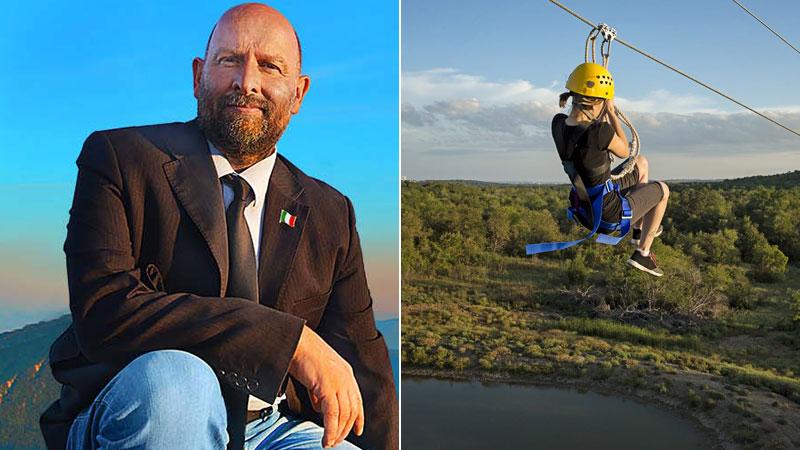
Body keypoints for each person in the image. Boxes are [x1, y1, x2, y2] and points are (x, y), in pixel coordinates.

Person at [39, 3, 397, 450]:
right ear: (198, 76)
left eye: (270, 66)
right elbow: (104, 313)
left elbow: (366, 370)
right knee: (179, 383)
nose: (247, 82)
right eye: (229, 60)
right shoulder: (119, 158)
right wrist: (290, 342)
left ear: (299, 93)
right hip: (137, 414)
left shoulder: (330, 212)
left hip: (272, 427)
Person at [553, 62, 670, 276]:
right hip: (609, 215)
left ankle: (638, 231)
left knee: (641, 163)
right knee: (663, 190)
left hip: (584, 205)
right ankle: (643, 253)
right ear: (599, 102)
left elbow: (587, 138)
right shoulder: (600, 131)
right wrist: (612, 113)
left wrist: (601, 114)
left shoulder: (558, 124)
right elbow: (625, 150)